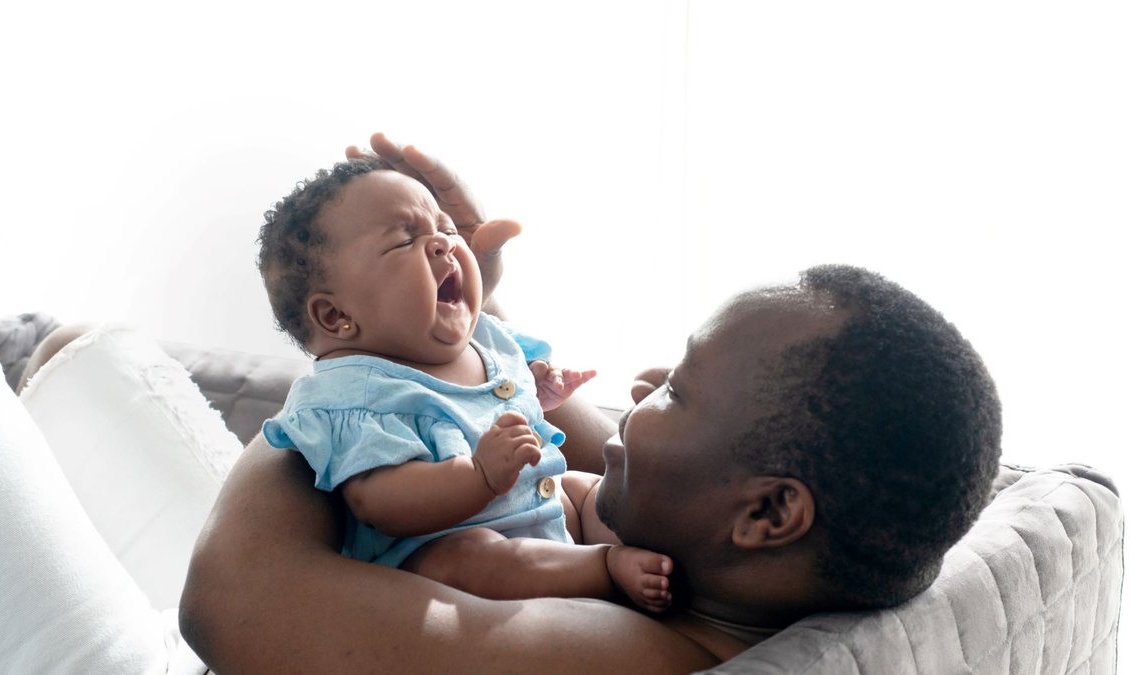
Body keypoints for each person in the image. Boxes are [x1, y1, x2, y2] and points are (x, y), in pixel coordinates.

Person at [177, 134, 1003, 672]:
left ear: (769, 512)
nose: (641, 384)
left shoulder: (600, 654)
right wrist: (464, 322)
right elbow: (547, 441)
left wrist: (342, 378)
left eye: (677, 388)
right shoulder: (711, 565)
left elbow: (227, 601)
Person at [255, 156, 672, 610]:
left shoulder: (484, 338)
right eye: (404, 240)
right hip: (465, 549)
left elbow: (500, 399)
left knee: (590, 489)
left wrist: (538, 387)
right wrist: (479, 475)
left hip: (547, 505)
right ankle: (604, 568)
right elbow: (381, 503)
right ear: (336, 315)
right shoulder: (354, 395)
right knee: (463, 559)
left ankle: (673, 556)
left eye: (446, 228)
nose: (443, 244)